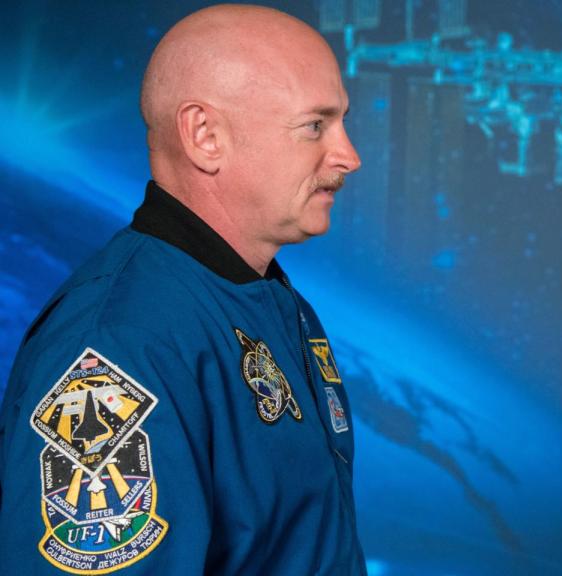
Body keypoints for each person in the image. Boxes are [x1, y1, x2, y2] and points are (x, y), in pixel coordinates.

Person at [0, 4, 366, 574]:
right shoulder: (121, 347)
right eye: (315, 125)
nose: (349, 156)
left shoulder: (271, 300)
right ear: (204, 136)